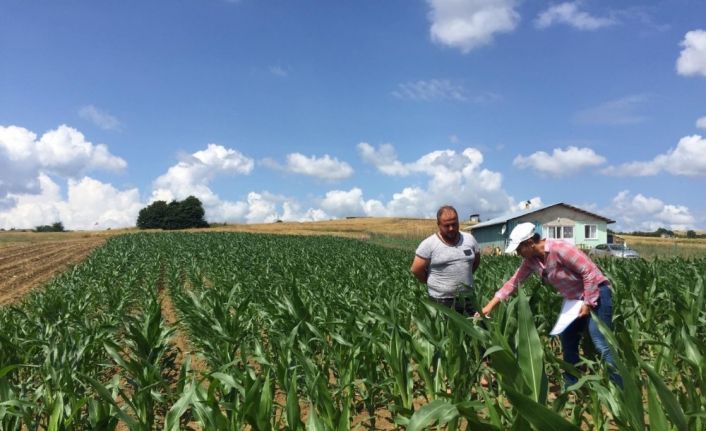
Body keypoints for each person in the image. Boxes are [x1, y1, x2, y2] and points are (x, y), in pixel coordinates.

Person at [480, 222, 621, 387]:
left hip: (597, 292)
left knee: (600, 341)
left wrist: (588, 303)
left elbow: (588, 271)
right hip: (575, 299)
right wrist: (489, 306)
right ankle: (573, 384)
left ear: (530, 243)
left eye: (519, 249)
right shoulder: (532, 260)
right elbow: (513, 282)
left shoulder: (559, 248)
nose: (518, 253)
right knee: (568, 339)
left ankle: (621, 389)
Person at [411, 205, 481, 315]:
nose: (451, 228)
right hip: (441, 301)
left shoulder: (469, 239)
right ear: (438, 225)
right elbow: (416, 269)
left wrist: (465, 275)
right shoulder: (429, 244)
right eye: (446, 225)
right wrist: (431, 282)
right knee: (445, 332)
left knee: (472, 330)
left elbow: (476, 261)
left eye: (454, 224)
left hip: (468, 298)